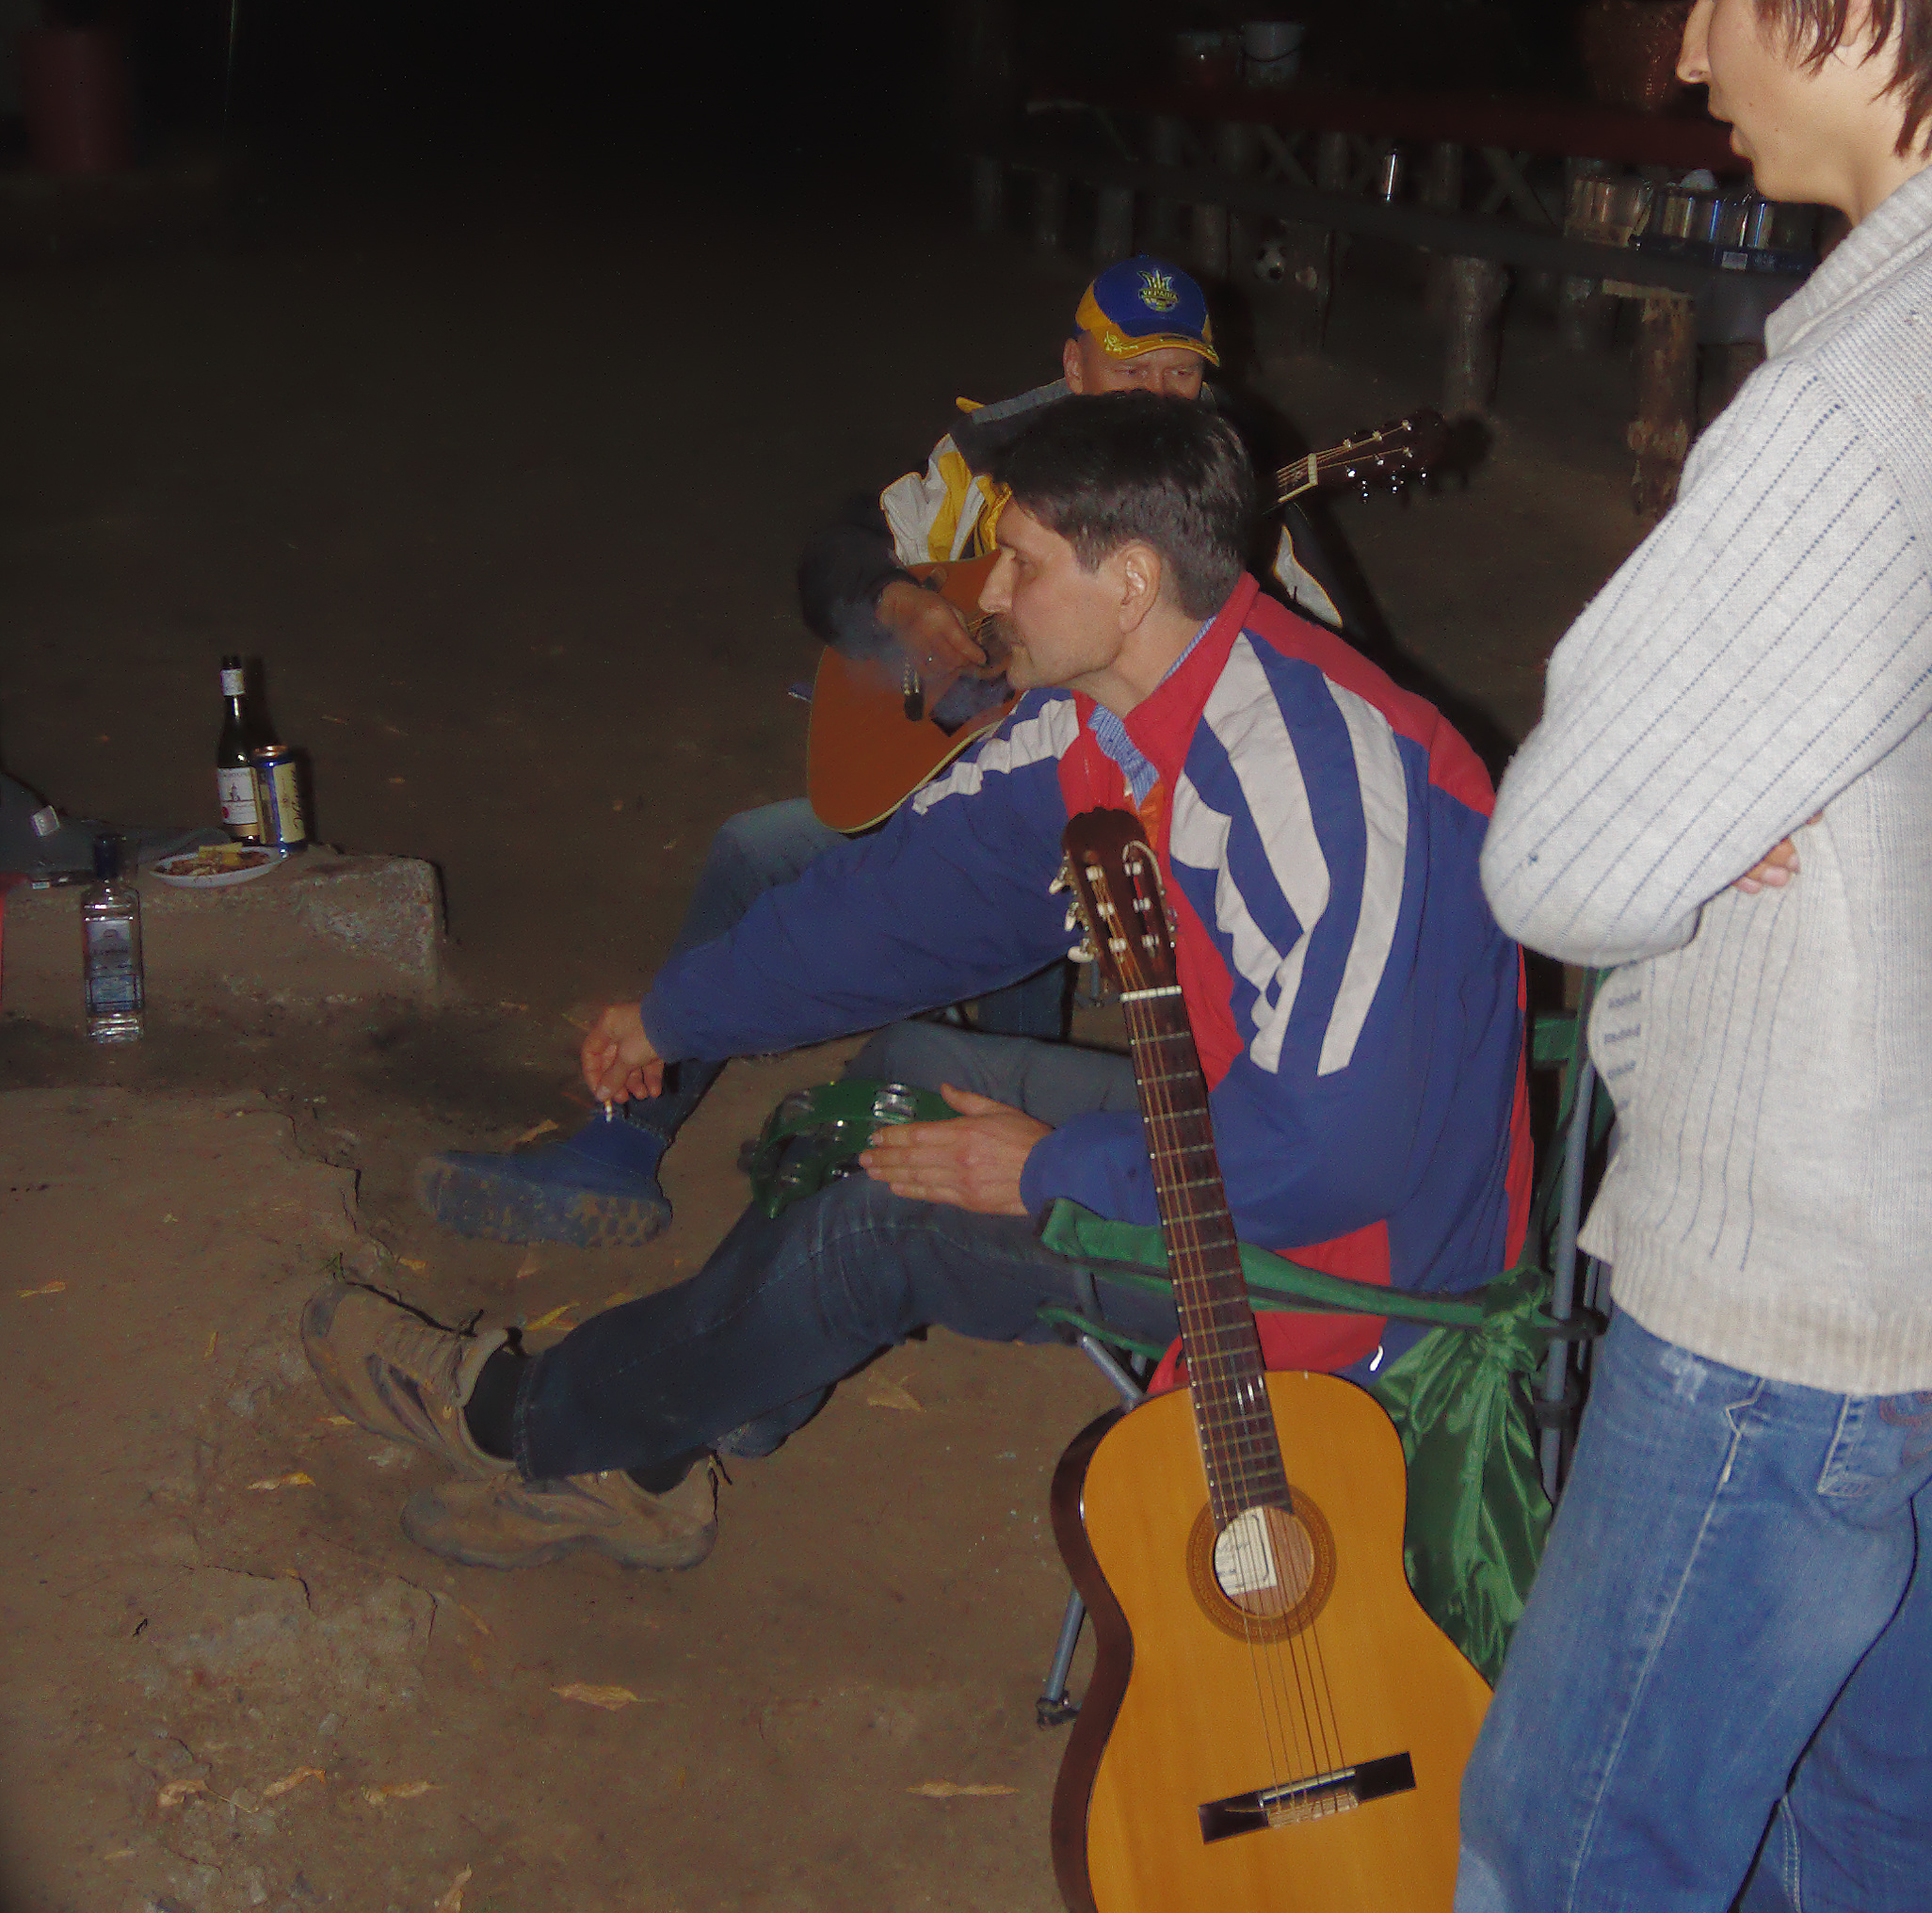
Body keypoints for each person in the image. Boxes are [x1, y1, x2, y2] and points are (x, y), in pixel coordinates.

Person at [1245, 0, 1932, 1913]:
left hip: (1790, 1261)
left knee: (1576, 1840)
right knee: (1846, 1762)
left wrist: (1654, 742)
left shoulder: (1851, 409)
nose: (1675, 54)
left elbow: (1555, 856)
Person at [305, 395, 1528, 1574]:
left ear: (1132, 584)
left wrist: (1048, 1168)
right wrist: (676, 1015)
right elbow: (905, 901)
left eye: (1021, 563)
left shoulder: (1307, 789)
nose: (988, 596)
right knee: (903, 1085)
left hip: (1358, 1267)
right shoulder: (1108, 714)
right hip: (1256, 1136)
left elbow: (1342, 1156)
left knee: (887, 1226)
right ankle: (657, 1448)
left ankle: (520, 1421)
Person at [413, 254, 1350, 1253]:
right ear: (1075, 368)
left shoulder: (1224, 502)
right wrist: (901, 602)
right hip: (971, 777)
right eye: (1133, 369)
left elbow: (1323, 677)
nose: (1159, 398)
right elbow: (838, 550)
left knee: (1006, 895)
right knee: (756, 851)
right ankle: (617, 1144)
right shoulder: (987, 458)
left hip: (1119, 820)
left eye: (1182, 373)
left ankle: (996, 1184)